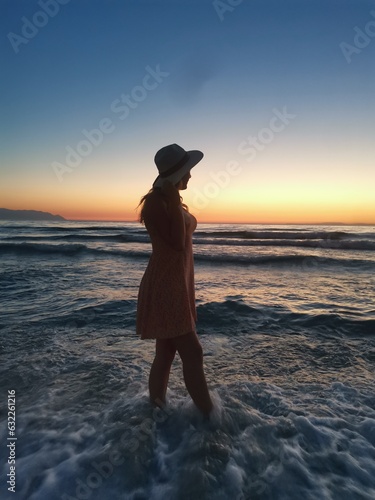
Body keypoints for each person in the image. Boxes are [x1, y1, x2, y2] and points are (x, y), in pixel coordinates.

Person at [136, 143, 213, 417]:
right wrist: (169, 194)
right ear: (174, 174)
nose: (190, 176)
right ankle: (210, 418)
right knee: (193, 353)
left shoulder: (170, 200)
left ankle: (156, 411)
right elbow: (178, 244)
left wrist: (172, 196)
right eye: (187, 171)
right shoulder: (157, 203)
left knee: (167, 352)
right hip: (167, 284)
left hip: (178, 281)